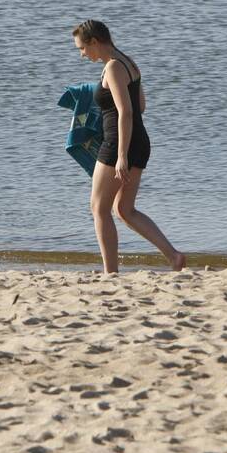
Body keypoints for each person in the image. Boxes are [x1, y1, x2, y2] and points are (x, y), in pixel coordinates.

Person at [71, 20, 186, 273]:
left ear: (94, 42)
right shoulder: (128, 62)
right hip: (140, 141)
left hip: (119, 143)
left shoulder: (112, 67)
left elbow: (126, 113)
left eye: (82, 48)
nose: (81, 54)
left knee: (99, 208)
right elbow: (141, 105)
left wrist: (121, 155)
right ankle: (174, 256)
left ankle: (110, 272)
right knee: (124, 209)